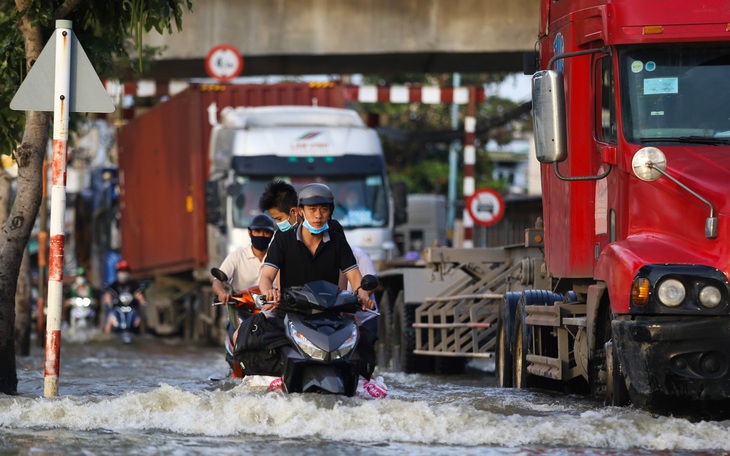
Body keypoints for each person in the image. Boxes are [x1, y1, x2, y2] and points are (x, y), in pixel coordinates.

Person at [258, 183, 377, 377]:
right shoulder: (283, 238)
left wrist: (362, 294)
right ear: (300, 211)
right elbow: (266, 276)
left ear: (331, 212)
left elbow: (355, 277)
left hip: (330, 314)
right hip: (290, 310)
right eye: (312, 209)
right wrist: (269, 292)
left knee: (365, 341)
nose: (318, 215)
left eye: (324, 209)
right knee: (249, 335)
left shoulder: (337, 239)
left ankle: (363, 380)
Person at [212, 213, 276, 375]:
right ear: (250, 233)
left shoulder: (276, 257)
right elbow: (218, 280)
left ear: (272, 234)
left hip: (270, 310)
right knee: (237, 336)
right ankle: (236, 371)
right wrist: (222, 293)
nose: (261, 236)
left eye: (266, 232)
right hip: (242, 310)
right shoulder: (236, 256)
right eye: (257, 232)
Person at [103, 260, 146, 334]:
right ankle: (107, 337)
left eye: (125, 271)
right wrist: (108, 299)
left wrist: (141, 299)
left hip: (132, 308)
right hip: (118, 308)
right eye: (121, 271)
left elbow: (140, 293)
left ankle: (143, 335)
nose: (123, 274)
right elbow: (108, 293)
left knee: (140, 319)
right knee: (110, 319)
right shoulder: (114, 285)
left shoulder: (134, 284)